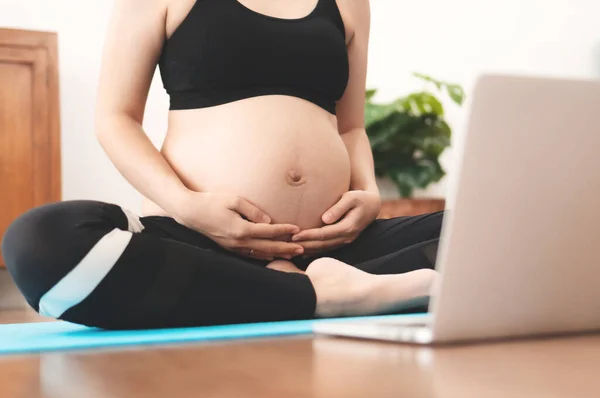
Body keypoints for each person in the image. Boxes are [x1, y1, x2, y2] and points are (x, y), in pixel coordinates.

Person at [1, 0, 443, 329]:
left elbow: (351, 128)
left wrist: (368, 195)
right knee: (39, 242)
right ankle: (319, 296)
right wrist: (189, 206)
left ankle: (298, 289)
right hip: (197, 240)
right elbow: (115, 118)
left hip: (329, 246)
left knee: (491, 230)